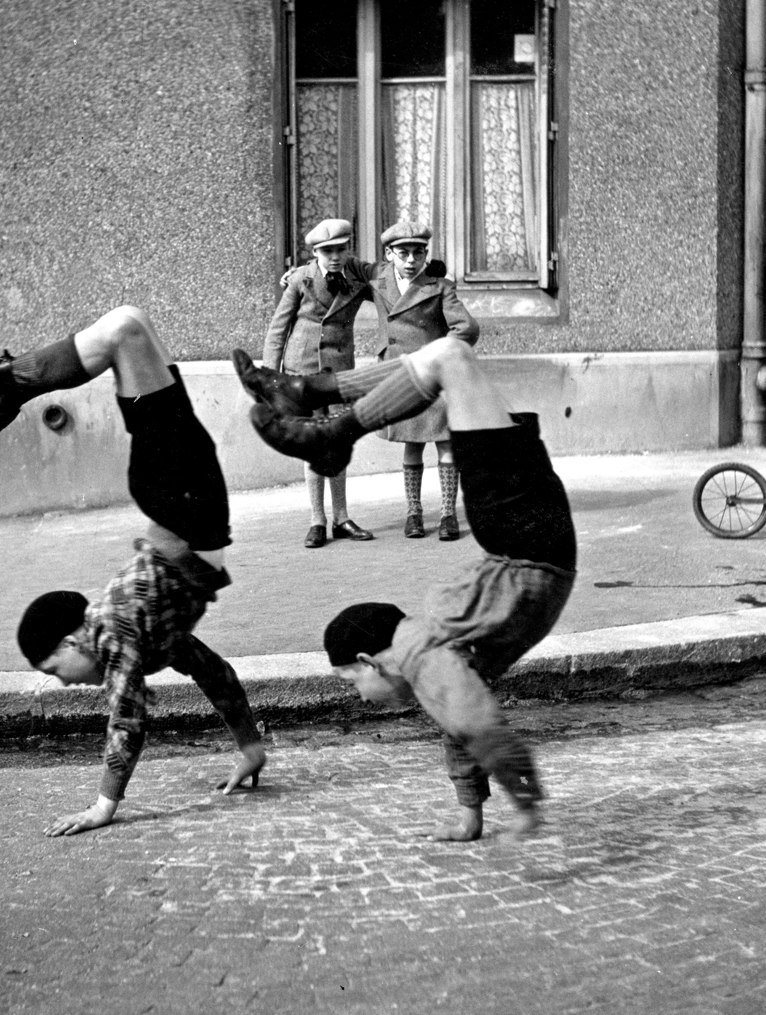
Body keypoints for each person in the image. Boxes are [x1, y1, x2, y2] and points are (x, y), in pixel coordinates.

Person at [0, 307, 266, 835]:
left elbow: (127, 720)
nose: (66, 685)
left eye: (53, 670)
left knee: (124, 330)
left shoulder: (117, 633)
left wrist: (104, 806)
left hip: (182, 501)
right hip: (186, 501)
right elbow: (216, 673)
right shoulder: (150, 636)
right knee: (129, 329)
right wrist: (251, 747)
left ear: (75, 642)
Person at [234, 335, 576, 842]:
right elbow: (460, 725)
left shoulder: (418, 652)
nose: (358, 694)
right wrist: (470, 816)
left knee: (450, 358)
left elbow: (475, 723)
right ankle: (310, 397)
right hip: (523, 533)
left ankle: (326, 425)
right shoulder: (429, 657)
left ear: (373, 660)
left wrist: (524, 802)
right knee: (449, 358)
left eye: (352, 680)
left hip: (525, 534)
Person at [261, 218, 377, 548]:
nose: (335, 257)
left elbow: (388, 283)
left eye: (341, 249)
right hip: (303, 371)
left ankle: (341, 518)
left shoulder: (356, 280)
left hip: (339, 373)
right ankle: (317, 520)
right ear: (315, 252)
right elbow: (277, 330)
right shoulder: (300, 279)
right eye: (328, 251)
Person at [369, 221, 479, 541]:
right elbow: (340, 268)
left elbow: (466, 329)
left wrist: (443, 354)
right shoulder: (379, 282)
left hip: (436, 377)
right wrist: (297, 273)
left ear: (425, 255)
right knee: (412, 443)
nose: (411, 261)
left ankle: (447, 514)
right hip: (401, 375)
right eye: (403, 253)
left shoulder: (439, 286)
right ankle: (414, 513)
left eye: (418, 253)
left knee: (445, 442)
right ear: (389, 254)